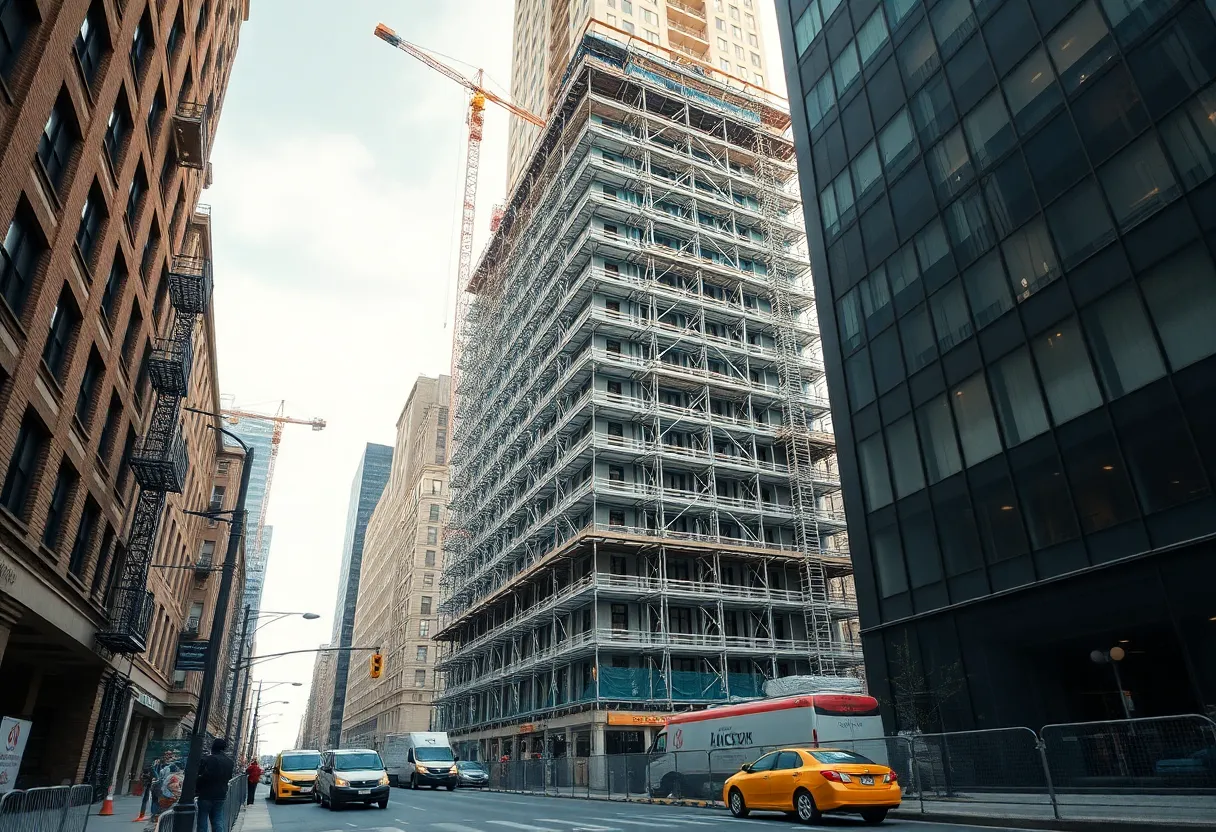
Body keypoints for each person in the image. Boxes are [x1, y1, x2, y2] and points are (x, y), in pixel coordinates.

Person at [196, 738, 235, 832]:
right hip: (221, 794)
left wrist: (197, 788)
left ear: (213, 747)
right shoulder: (229, 762)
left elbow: (201, 776)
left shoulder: (207, 759)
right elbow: (229, 776)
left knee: (202, 820)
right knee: (218, 819)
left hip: (206, 794)